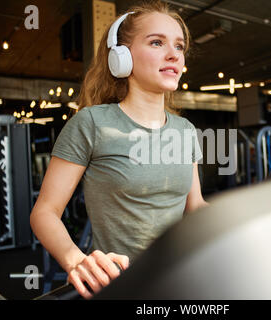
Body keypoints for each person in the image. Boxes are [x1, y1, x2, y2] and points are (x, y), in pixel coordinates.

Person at [30, 0, 208, 299]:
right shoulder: (92, 124)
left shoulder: (185, 131)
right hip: (120, 285)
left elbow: (195, 206)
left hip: (179, 277)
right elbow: (45, 211)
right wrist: (76, 260)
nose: (173, 55)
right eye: (156, 42)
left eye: (179, 47)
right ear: (121, 57)